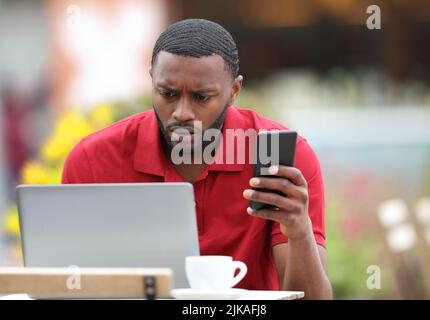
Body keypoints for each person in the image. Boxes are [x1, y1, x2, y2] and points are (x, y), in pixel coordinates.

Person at [62, 19, 332, 299]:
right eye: (168, 94)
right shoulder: (92, 160)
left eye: (201, 97)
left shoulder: (279, 157)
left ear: (234, 92)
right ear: (152, 80)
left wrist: (299, 231)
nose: (181, 112)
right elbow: (67, 287)